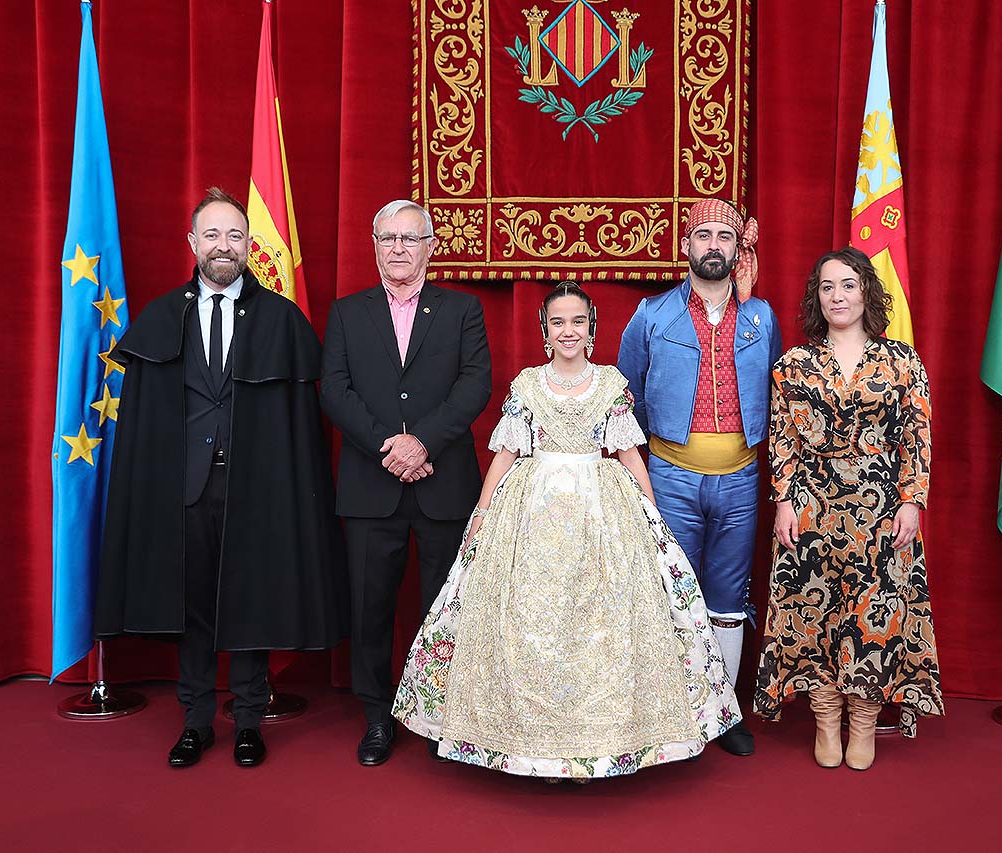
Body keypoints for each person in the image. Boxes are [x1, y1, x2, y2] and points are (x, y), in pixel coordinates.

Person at [393, 283, 741, 780]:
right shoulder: (528, 384)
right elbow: (508, 452)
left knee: (601, 621)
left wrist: (651, 511)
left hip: (602, 509)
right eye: (558, 322)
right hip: (532, 507)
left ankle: (598, 742)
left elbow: (626, 453)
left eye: (577, 321)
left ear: (591, 329)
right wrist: (484, 511)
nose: (568, 331)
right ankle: (535, 746)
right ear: (545, 331)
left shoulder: (609, 383)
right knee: (531, 618)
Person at [96, 187, 347, 769]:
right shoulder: (161, 317)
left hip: (257, 491)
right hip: (184, 491)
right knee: (194, 609)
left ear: (249, 245)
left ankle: (250, 722)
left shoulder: (283, 321)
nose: (223, 246)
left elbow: (300, 432)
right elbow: (145, 427)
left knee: (252, 602)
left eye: (235, 235)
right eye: (212, 235)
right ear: (193, 243)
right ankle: (195, 722)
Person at [752, 247, 943, 770]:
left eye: (849, 285)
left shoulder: (902, 360)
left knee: (872, 616)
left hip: (881, 508)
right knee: (810, 615)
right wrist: (785, 499)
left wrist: (912, 501)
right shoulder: (793, 365)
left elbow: (917, 437)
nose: (838, 296)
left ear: (867, 293)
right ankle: (825, 721)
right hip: (811, 506)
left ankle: (863, 725)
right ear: (817, 298)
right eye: (827, 287)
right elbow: (783, 438)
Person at [321, 199, 492, 767]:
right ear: (374, 246)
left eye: (410, 238)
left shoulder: (462, 309)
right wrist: (386, 447)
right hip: (371, 486)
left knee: (446, 605)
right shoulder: (347, 313)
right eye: (388, 238)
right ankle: (376, 716)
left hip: (443, 482)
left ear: (430, 246)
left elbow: (475, 385)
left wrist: (423, 441)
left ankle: (443, 716)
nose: (399, 248)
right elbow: (335, 391)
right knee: (371, 606)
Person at [616, 199, 781, 756]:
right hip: (670, 476)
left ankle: (725, 713)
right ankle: (675, 709)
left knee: (728, 595)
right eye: (703, 235)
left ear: (738, 250)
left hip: (740, 478)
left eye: (724, 237)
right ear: (685, 245)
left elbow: (778, 401)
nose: (714, 245)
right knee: (671, 594)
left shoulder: (761, 319)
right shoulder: (652, 314)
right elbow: (626, 397)